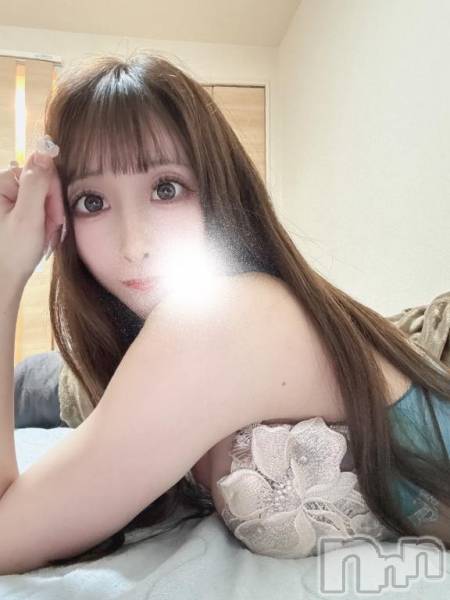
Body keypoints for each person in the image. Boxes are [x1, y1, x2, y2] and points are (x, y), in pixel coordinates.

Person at [2, 50, 450, 567]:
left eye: (166, 188)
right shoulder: (176, 341)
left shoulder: (217, 318)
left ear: (219, 191)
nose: (133, 245)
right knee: (45, 385)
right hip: (81, 376)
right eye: (93, 202)